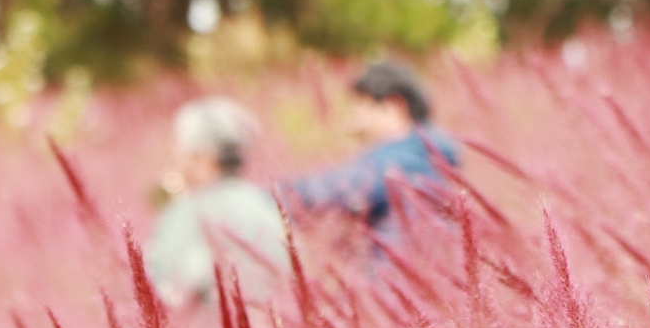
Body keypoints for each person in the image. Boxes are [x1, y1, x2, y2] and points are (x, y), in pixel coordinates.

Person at [279, 61, 460, 240]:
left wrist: (263, 196)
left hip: (387, 268)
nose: (355, 114)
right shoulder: (426, 154)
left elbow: (332, 191)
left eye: (361, 104)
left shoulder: (401, 160)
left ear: (394, 106)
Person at [142, 97, 287, 308]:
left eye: (180, 151)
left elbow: (167, 294)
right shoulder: (267, 206)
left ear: (204, 158)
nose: (176, 159)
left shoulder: (185, 214)